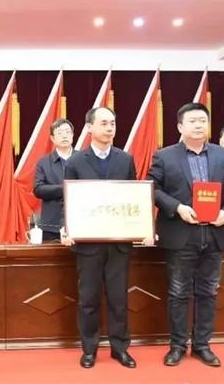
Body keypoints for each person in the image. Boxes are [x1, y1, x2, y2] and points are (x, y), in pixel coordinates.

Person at [148, 103, 224, 367]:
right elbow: (152, 188)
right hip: (181, 234)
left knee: (208, 292)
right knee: (178, 292)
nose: (199, 125)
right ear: (180, 126)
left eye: (203, 120)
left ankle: (202, 345)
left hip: (214, 233)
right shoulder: (165, 156)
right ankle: (178, 346)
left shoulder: (223, 155)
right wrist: (177, 208)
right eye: (193, 121)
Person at [61, 107, 138, 369]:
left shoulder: (125, 159)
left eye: (113, 123)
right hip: (88, 243)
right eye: (104, 123)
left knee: (119, 299)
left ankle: (120, 348)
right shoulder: (76, 162)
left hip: (118, 242)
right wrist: (67, 228)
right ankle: (89, 349)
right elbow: (69, 200)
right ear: (89, 127)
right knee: (89, 299)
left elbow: (133, 198)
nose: (109, 128)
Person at [33, 118, 75, 241]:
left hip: (79, 222)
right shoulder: (44, 162)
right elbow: (38, 189)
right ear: (52, 138)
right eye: (60, 133)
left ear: (72, 135)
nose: (64, 136)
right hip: (51, 225)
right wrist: (65, 189)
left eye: (67, 132)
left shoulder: (83, 159)